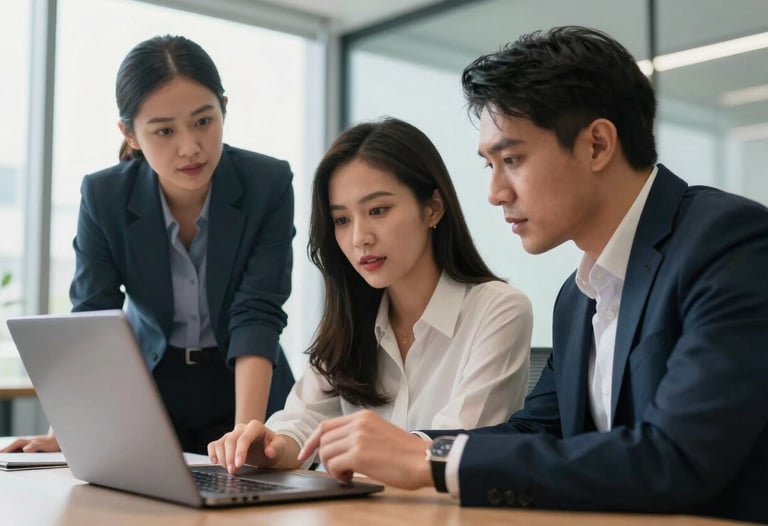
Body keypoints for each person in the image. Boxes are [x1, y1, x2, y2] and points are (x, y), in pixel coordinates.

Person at [293, 27, 768, 523]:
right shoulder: (578, 296)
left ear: (598, 145)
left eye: (512, 160)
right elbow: (537, 432)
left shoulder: (727, 243)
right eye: (489, 165)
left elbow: (675, 459)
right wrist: (407, 446)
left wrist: (428, 460)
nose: (496, 192)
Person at [2, 35, 295, 455]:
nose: (189, 147)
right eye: (163, 131)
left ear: (224, 108)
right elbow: (92, 318)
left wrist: (246, 430)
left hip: (248, 384)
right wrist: (63, 431)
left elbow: (258, 312)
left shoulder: (267, 184)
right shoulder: (105, 197)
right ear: (130, 133)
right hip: (151, 391)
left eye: (203, 121)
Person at [207, 117, 532, 473]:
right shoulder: (350, 320)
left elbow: (457, 447)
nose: (360, 237)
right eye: (342, 220)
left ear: (433, 208)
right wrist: (270, 446)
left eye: (378, 210)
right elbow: (302, 424)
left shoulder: (498, 311)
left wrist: (369, 451)